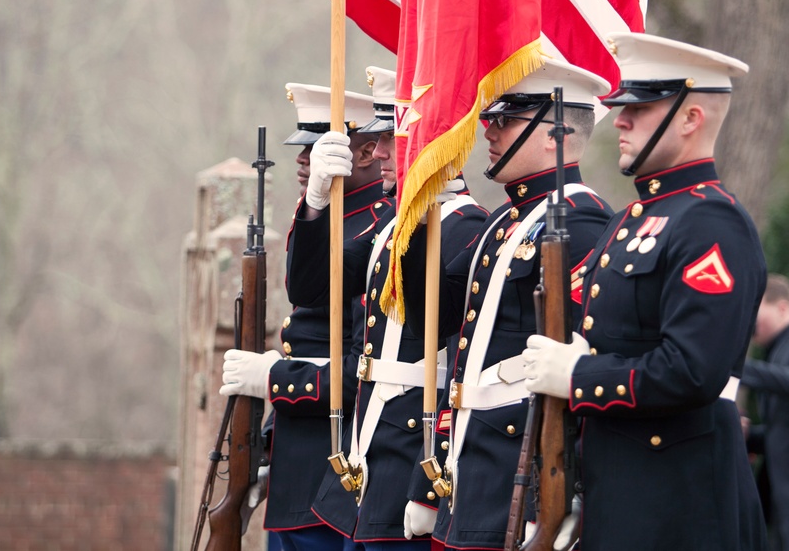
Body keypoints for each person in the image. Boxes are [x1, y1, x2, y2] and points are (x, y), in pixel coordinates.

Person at [522, 32, 768, 551]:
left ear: (690, 118)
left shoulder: (710, 221)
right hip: (619, 490)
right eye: (620, 107)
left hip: (678, 504)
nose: (621, 120)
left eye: (640, 107)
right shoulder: (634, 219)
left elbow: (692, 371)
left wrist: (578, 376)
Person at [399, 58, 614, 549]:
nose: (488, 132)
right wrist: (416, 215)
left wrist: (557, 500)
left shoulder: (582, 223)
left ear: (553, 133)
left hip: (518, 475)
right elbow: (436, 321)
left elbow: (580, 369)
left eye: (505, 120)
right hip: (470, 474)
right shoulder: (504, 222)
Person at [287, 69, 490, 549]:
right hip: (367, 453)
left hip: (412, 457)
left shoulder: (468, 227)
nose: (376, 152)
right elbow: (312, 286)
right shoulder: (388, 231)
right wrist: (315, 202)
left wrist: (428, 483)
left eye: (389, 140)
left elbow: (454, 365)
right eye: (377, 141)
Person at [220, 79, 392, 551]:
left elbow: (363, 368)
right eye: (302, 148)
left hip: (334, 462)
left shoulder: (380, 228)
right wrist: (268, 442)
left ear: (364, 152)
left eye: (316, 148)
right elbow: (305, 329)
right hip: (296, 456)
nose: (302, 160)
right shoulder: (322, 216)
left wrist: (276, 379)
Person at [742, 273, 789, 551]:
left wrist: (738, 368)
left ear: (782, 307)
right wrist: (750, 436)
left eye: (755, 310)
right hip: (782, 499)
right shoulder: (775, 350)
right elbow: (785, 429)